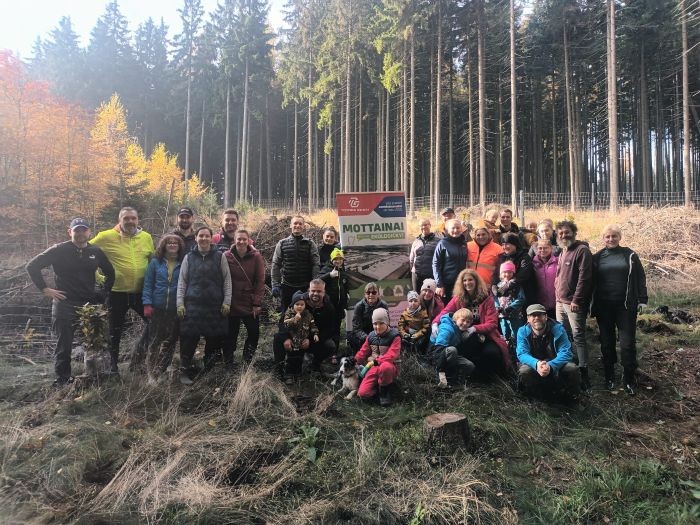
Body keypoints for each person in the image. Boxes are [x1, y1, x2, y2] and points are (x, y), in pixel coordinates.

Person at [26, 218, 115, 385]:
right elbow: (32, 266)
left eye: (84, 230)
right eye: (76, 230)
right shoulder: (59, 250)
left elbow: (110, 272)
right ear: (70, 232)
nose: (80, 233)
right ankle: (63, 380)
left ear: (89, 232)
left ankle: (96, 376)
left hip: (89, 303)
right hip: (64, 303)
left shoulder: (95, 251)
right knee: (64, 344)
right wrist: (45, 289)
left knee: (96, 340)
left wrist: (103, 293)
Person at [92, 207, 155, 374]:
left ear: (138, 220)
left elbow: (152, 261)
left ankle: (138, 358)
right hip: (116, 293)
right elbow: (87, 251)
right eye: (126, 218)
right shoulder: (106, 236)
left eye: (133, 218)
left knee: (155, 323)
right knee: (115, 331)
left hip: (141, 292)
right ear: (119, 220)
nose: (130, 221)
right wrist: (99, 277)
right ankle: (113, 368)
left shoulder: (146, 237)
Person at [591, 225, 647, 395]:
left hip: (626, 307)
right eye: (607, 236)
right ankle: (609, 376)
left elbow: (640, 277)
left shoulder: (630, 255)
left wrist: (642, 300)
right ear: (603, 238)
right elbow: (589, 280)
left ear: (619, 237)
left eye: (614, 236)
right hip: (604, 307)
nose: (611, 239)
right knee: (607, 342)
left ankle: (629, 378)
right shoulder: (597, 257)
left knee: (627, 344)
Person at [176, 226, 232, 384]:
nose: (204, 238)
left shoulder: (220, 256)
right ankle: (184, 371)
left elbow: (227, 281)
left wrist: (227, 302)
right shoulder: (188, 257)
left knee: (213, 339)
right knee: (189, 338)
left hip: (214, 306)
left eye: (207, 236)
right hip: (192, 306)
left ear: (211, 238)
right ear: (196, 238)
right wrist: (180, 303)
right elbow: (182, 282)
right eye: (201, 236)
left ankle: (209, 370)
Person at [434, 269, 511, 376]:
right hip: (463, 335)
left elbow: (492, 323)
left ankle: (489, 376)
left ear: (476, 281)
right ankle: (468, 375)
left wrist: (474, 328)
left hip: (486, 335)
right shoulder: (458, 298)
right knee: (465, 350)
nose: (467, 283)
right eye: (464, 280)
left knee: (492, 353)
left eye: (470, 280)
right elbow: (445, 311)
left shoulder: (486, 298)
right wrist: (435, 323)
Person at [554, 220, 593, 390]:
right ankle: (568, 367)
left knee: (578, 336)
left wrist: (577, 299)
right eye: (560, 233)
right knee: (563, 335)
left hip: (574, 303)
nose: (564, 235)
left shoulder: (581, 250)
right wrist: (557, 296)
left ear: (574, 233)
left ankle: (584, 372)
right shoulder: (563, 251)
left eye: (567, 232)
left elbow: (585, 277)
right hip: (560, 302)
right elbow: (559, 276)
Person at [273, 279, 337, 378]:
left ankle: (315, 365)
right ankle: (279, 369)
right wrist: (286, 338)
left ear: (324, 292)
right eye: (313, 291)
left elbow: (330, 330)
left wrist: (310, 339)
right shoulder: (298, 301)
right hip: (294, 335)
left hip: (312, 338)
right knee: (278, 338)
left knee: (330, 345)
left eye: (319, 291)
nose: (315, 294)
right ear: (309, 290)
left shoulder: (329, 307)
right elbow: (283, 322)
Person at [142, 234, 184, 383]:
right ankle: (151, 375)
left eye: (175, 243)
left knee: (170, 342)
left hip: (175, 308)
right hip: (157, 308)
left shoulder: (183, 263)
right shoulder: (155, 262)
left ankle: (161, 371)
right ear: (164, 246)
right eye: (169, 243)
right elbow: (148, 284)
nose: (172, 245)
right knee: (154, 341)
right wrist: (147, 304)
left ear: (179, 246)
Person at [516, 304, 581, 400]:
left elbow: (566, 352)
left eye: (540, 314)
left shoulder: (558, 329)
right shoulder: (522, 331)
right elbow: (522, 354)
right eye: (533, 315)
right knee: (525, 371)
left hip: (555, 362)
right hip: (535, 364)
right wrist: (537, 364)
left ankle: (571, 397)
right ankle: (534, 398)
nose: (537, 318)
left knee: (571, 368)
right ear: (528, 319)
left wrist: (550, 366)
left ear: (546, 317)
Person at [224, 229, 265, 366]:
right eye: (239, 239)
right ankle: (228, 362)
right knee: (230, 334)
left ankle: (247, 361)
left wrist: (257, 303)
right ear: (234, 240)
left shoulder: (256, 256)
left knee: (254, 333)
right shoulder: (226, 256)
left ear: (248, 241)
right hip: (232, 302)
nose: (241, 241)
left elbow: (260, 281)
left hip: (249, 302)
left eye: (244, 239)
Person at [271, 215, 320, 314]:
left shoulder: (310, 244)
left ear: (304, 226)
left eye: (300, 224)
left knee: (308, 315)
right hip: (287, 287)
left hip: (305, 287)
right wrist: (275, 284)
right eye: (295, 223)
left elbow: (316, 264)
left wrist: (314, 285)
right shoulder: (282, 243)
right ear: (290, 225)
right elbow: (276, 264)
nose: (297, 225)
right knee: (286, 315)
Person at [355, 308, 401, 406]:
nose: (378, 327)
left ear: (387, 322)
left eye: (381, 323)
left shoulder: (395, 336)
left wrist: (375, 361)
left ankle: (385, 393)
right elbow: (363, 351)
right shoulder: (371, 336)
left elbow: (392, 355)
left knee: (385, 367)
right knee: (362, 394)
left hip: (390, 367)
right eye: (375, 324)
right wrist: (354, 361)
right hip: (373, 368)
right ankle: (378, 389)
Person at [431, 308, 477, 389]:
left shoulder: (459, 329)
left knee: (470, 365)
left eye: (468, 322)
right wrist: (440, 369)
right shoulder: (447, 329)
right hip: (435, 355)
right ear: (456, 319)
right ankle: (445, 377)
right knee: (452, 350)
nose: (465, 323)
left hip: (448, 355)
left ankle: (457, 383)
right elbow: (437, 350)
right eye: (463, 320)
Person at [279, 290, 319, 383]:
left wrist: (315, 334)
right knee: (290, 358)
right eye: (297, 304)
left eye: (302, 304)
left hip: (302, 341)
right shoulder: (289, 313)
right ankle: (289, 375)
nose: (300, 306)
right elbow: (285, 325)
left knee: (299, 358)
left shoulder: (308, 315)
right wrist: (294, 319)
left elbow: (313, 325)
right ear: (293, 305)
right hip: (292, 341)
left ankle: (298, 374)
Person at [319, 248, 350, 352]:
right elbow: (317, 280)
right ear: (332, 260)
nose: (338, 261)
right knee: (327, 329)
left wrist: (346, 299)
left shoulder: (343, 271)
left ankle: (334, 353)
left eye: (340, 259)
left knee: (336, 330)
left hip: (339, 307)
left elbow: (345, 287)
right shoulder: (326, 269)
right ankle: (324, 352)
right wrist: (329, 275)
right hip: (328, 306)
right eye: (336, 259)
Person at [347, 282, 389, 352]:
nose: (371, 295)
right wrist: (369, 338)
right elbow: (357, 328)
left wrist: (379, 336)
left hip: (379, 333)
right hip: (364, 335)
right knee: (352, 337)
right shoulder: (359, 306)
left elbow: (387, 324)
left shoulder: (384, 305)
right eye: (368, 293)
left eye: (374, 292)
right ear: (365, 294)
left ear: (378, 294)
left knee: (393, 335)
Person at [432, 218, 467, 302]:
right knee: (448, 307)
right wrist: (439, 284)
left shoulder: (464, 243)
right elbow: (435, 264)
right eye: (453, 228)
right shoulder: (442, 243)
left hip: (462, 283)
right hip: (447, 284)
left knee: (461, 306)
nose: (456, 230)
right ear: (448, 230)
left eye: (458, 228)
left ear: (461, 229)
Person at [492, 261, 525, 347]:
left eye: (510, 272)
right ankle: (507, 351)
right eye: (504, 272)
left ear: (513, 273)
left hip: (515, 315)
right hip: (502, 316)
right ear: (501, 274)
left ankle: (518, 352)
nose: (507, 274)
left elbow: (521, 299)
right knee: (505, 335)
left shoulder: (516, 285)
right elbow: (495, 299)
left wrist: (511, 307)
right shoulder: (498, 286)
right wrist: (497, 308)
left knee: (516, 335)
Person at [494, 232, 534, 301]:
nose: (504, 247)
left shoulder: (524, 257)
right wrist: (494, 286)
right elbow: (496, 274)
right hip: (503, 295)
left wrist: (506, 287)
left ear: (515, 244)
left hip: (521, 295)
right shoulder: (502, 257)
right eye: (503, 244)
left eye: (507, 244)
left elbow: (522, 276)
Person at [409, 218, 440, 292]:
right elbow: (411, 259)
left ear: (430, 225)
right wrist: (413, 271)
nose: (423, 227)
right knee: (417, 295)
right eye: (421, 225)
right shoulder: (416, 241)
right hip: (416, 275)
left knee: (431, 295)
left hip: (431, 275)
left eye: (426, 225)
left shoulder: (438, 241)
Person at [532, 239, 558, 319]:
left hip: (556, 303)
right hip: (539, 303)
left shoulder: (558, 262)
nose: (542, 250)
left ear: (551, 248)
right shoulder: (532, 263)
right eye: (540, 248)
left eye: (545, 248)